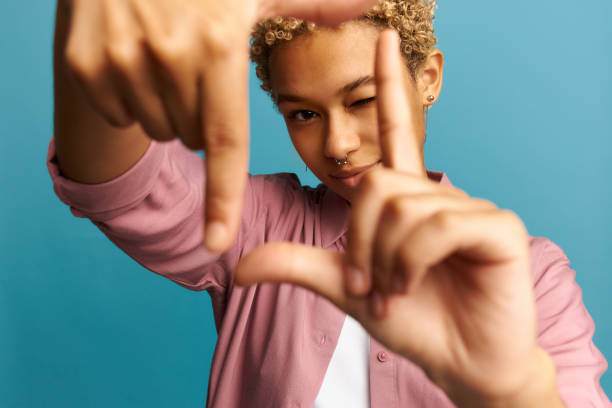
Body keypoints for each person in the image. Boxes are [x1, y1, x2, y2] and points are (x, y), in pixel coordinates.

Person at [48, 0, 610, 406]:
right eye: (304, 114)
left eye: (362, 99)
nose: (337, 146)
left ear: (429, 78)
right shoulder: (258, 225)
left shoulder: (531, 275)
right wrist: (92, 39)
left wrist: (513, 393)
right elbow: (118, 184)